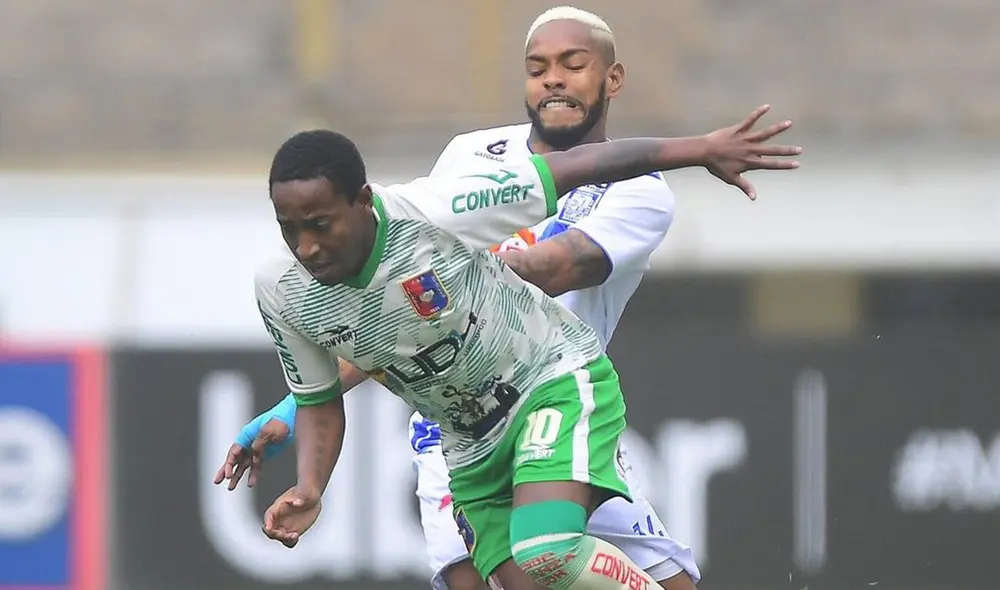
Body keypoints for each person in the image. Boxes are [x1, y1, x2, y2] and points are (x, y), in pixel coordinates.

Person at [218, 7, 707, 590]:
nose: (554, 79)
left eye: (573, 65)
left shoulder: (641, 194)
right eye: (537, 67)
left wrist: (700, 148)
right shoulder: (469, 158)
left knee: (619, 568)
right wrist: (295, 406)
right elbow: (399, 314)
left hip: (550, 391)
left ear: (612, 79)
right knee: (480, 578)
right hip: (453, 424)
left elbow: (550, 269)